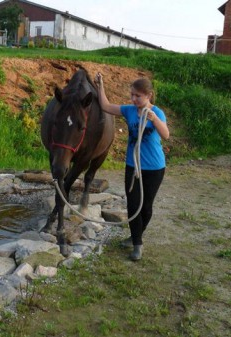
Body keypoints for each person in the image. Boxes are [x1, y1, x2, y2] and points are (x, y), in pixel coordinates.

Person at [94, 73, 170, 261]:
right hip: (132, 166)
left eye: (138, 96)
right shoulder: (129, 110)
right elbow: (106, 106)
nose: (134, 99)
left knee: (146, 207)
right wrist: (100, 85)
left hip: (154, 168)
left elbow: (166, 135)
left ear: (149, 95)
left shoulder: (157, 113)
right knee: (133, 204)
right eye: (132, 95)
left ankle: (136, 235)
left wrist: (154, 119)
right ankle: (137, 244)